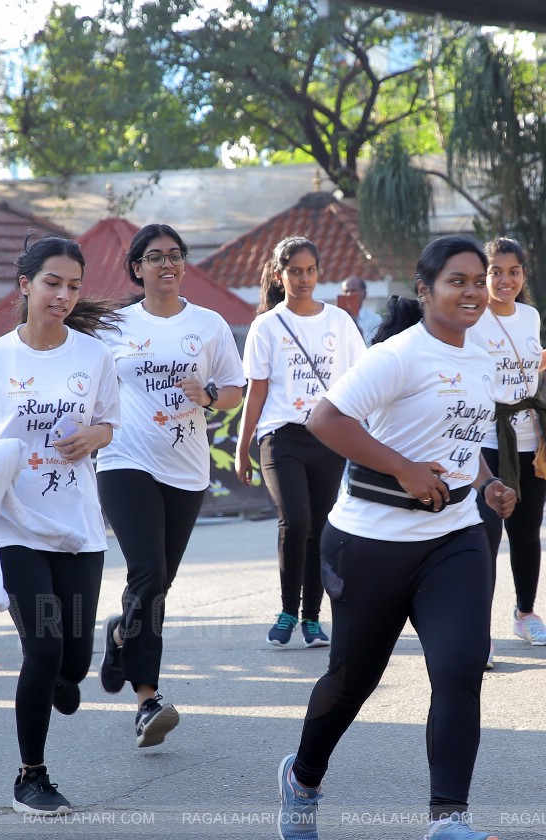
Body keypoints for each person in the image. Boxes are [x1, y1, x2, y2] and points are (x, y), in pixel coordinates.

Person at [277, 235, 516, 840]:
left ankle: (446, 824)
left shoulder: (484, 352)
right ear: (426, 290)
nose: (471, 292)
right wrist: (405, 468)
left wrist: (487, 480)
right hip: (369, 542)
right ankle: (302, 780)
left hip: (455, 536)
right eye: (456, 281)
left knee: (461, 669)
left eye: (478, 280)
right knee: (353, 682)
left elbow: (465, 437)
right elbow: (326, 420)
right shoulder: (397, 355)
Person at [0, 235, 121, 814]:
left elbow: (108, 425)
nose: (64, 295)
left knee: (73, 664)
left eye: (73, 285)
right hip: (17, 525)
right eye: (52, 283)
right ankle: (31, 776)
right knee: (43, 650)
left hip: (78, 524)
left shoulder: (94, 357)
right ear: (24, 285)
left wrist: (95, 435)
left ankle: (64, 677)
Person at [95, 223, 245, 748]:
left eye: (175, 256)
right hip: (124, 461)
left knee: (155, 587)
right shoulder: (112, 325)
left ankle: (119, 635)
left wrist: (206, 394)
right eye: (155, 256)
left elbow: (234, 391)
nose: (167, 264)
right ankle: (147, 700)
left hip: (185, 468)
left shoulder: (208, 325)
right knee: (149, 571)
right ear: (136, 268)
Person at [236, 236, 364, 649]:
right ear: (280, 275)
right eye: (295, 271)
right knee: (296, 520)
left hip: (326, 436)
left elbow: (360, 380)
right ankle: (288, 610)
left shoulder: (339, 322)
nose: (304, 278)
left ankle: (312, 619)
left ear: (319, 273)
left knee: (320, 526)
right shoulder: (266, 326)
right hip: (280, 436)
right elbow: (255, 391)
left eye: (310, 270)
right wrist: (243, 448)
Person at [469, 237, 546, 654]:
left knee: (526, 533)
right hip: (490, 440)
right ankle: (477, 632)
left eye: (513, 271)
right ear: (484, 276)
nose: (505, 279)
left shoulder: (528, 316)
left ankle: (525, 614)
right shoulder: (473, 318)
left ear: (523, 275)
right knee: (486, 536)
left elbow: (529, 362)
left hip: (532, 439)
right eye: (495, 272)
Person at [336, 275, 379, 343]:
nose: (349, 294)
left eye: (353, 291)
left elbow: (371, 344)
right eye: (346, 291)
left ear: (364, 294)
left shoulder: (375, 320)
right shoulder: (334, 319)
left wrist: (353, 321)